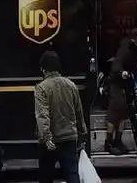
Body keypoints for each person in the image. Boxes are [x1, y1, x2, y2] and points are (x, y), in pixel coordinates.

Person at [34, 51, 87, 183]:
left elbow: (42, 115)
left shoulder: (41, 88)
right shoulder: (71, 85)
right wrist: (82, 134)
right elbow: (79, 112)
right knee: (72, 174)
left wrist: (46, 137)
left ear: (44, 69)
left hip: (51, 140)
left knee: (46, 175)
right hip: (69, 137)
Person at [106, 28, 137, 155]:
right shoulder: (125, 48)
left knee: (125, 111)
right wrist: (122, 72)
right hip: (117, 82)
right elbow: (116, 64)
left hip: (128, 82)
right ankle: (109, 142)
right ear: (133, 40)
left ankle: (118, 140)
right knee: (116, 109)